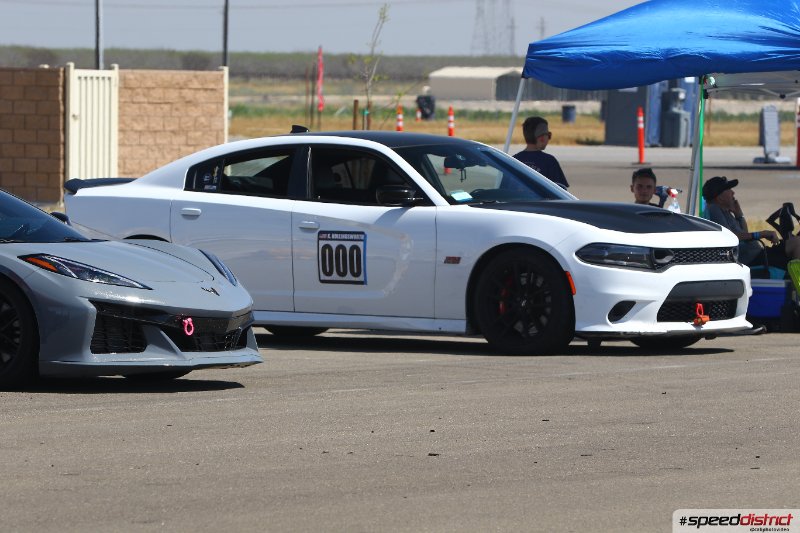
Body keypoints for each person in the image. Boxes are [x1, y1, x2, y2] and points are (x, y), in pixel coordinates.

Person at [703, 175, 800, 269]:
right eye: (728, 190)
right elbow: (729, 237)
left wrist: (739, 215)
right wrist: (762, 234)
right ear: (720, 197)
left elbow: (744, 234)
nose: (733, 192)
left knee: (795, 242)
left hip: (757, 255)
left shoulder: (724, 212)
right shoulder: (713, 209)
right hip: (752, 259)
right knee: (796, 243)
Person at [513, 116, 569, 189]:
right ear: (541, 138)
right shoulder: (550, 161)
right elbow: (562, 191)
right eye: (548, 135)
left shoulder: (514, 160)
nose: (548, 139)